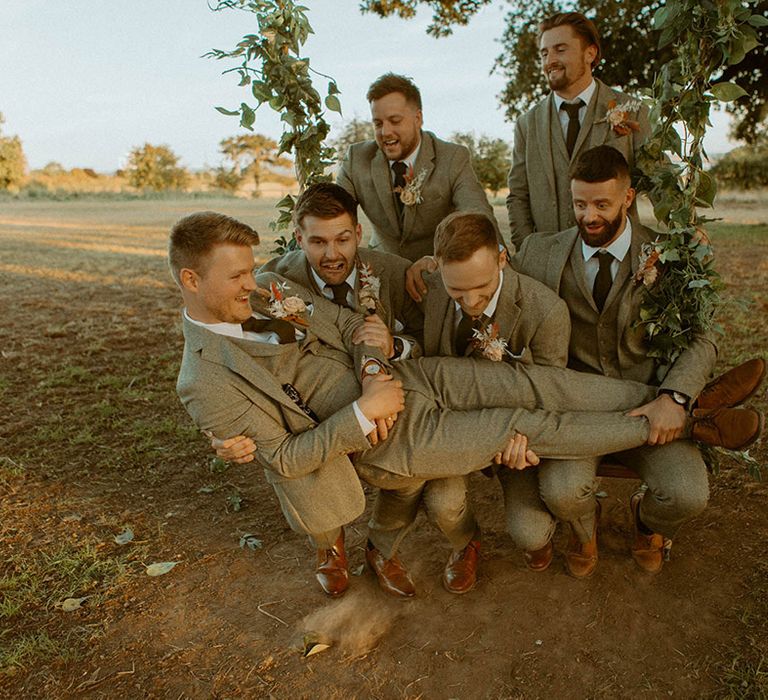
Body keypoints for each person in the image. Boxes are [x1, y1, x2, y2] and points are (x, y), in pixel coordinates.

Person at [170, 210, 761, 596]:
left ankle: (679, 401)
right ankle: (689, 427)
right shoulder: (204, 379)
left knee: (537, 385)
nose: (256, 285)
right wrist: (361, 414)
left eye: (252, 271)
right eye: (237, 277)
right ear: (191, 282)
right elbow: (289, 458)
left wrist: (376, 371)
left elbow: (354, 329)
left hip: (414, 375)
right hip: (392, 440)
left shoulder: (268, 287)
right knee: (525, 422)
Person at [511, 144, 767, 577]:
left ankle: (648, 523)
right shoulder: (539, 253)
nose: (588, 216)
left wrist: (674, 395)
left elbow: (702, 337)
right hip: (580, 415)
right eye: (579, 203)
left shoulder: (673, 256)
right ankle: (583, 528)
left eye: (601, 204)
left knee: (688, 494)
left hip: (653, 409)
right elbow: (496, 293)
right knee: (562, 493)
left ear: (628, 199)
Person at [505, 11, 650, 250]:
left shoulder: (632, 111)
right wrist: (528, 248)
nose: (549, 60)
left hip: (615, 260)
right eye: (544, 53)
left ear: (590, 53)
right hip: (550, 265)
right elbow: (518, 196)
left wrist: (686, 228)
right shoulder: (527, 124)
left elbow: (657, 179)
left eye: (560, 50)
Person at [336, 72, 498, 262]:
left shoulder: (453, 158)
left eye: (395, 121)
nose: (385, 132)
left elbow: (479, 219)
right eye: (378, 123)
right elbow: (332, 215)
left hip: (438, 271)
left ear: (418, 118)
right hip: (381, 269)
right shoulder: (356, 158)